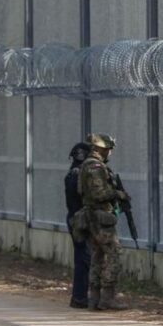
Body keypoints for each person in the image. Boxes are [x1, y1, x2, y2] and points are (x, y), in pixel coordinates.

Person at [76, 133, 130, 310]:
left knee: (97, 256)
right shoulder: (95, 167)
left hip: (93, 217)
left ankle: (94, 298)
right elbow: (99, 193)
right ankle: (107, 297)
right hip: (100, 217)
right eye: (108, 149)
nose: (109, 153)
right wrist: (117, 194)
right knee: (114, 254)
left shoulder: (87, 165)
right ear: (100, 149)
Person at [65, 142, 91, 309]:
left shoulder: (72, 173)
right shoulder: (78, 175)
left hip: (75, 218)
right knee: (84, 258)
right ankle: (80, 297)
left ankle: (80, 296)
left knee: (82, 258)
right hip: (80, 220)